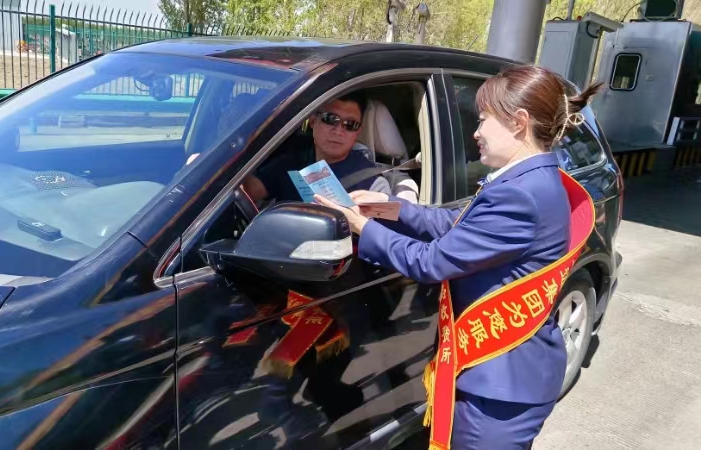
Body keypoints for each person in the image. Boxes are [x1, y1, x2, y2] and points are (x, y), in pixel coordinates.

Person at [315, 65, 600, 449]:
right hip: (509, 374)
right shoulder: (531, 178)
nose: (476, 132)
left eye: (483, 119)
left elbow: (430, 262)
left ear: (518, 122)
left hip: (500, 384)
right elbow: (462, 225)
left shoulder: (518, 193)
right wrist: (392, 207)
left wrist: (361, 227)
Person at [242, 93, 392, 204]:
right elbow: (245, 193)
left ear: (358, 131)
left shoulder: (372, 183)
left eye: (350, 124)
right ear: (313, 121)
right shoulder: (292, 161)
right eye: (330, 119)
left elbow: (381, 233)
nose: (338, 131)